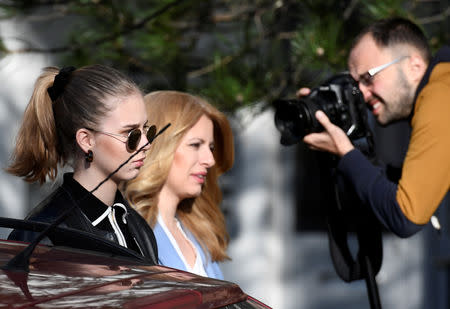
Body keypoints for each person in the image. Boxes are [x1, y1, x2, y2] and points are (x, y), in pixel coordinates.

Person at [301, 17, 450, 238]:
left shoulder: (441, 96)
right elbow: (394, 191)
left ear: (414, 66)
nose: (361, 93)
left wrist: (346, 154)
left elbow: (405, 216)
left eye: (368, 78)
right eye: (355, 85)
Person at [7, 64, 158, 264]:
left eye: (147, 129)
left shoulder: (134, 223)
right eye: (131, 134)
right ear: (86, 140)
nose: (145, 144)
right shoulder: (45, 236)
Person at [124, 90, 234, 279]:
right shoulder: (126, 231)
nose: (210, 160)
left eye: (211, 148)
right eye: (195, 145)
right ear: (160, 146)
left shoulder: (200, 235)